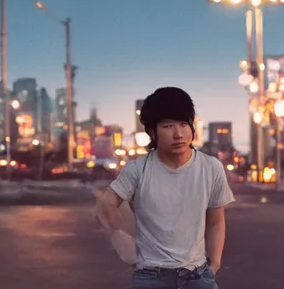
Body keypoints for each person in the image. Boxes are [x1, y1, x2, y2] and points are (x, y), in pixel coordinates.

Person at [97, 87, 232, 289]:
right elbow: (105, 206)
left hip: (198, 275)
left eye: (184, 124)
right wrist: (122, 243)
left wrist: (214, 264)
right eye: (168, 126)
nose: (178, 134)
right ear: (153, 131)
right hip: (152, 276)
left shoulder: (211, 168)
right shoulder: (138, 169)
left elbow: (216, 221)